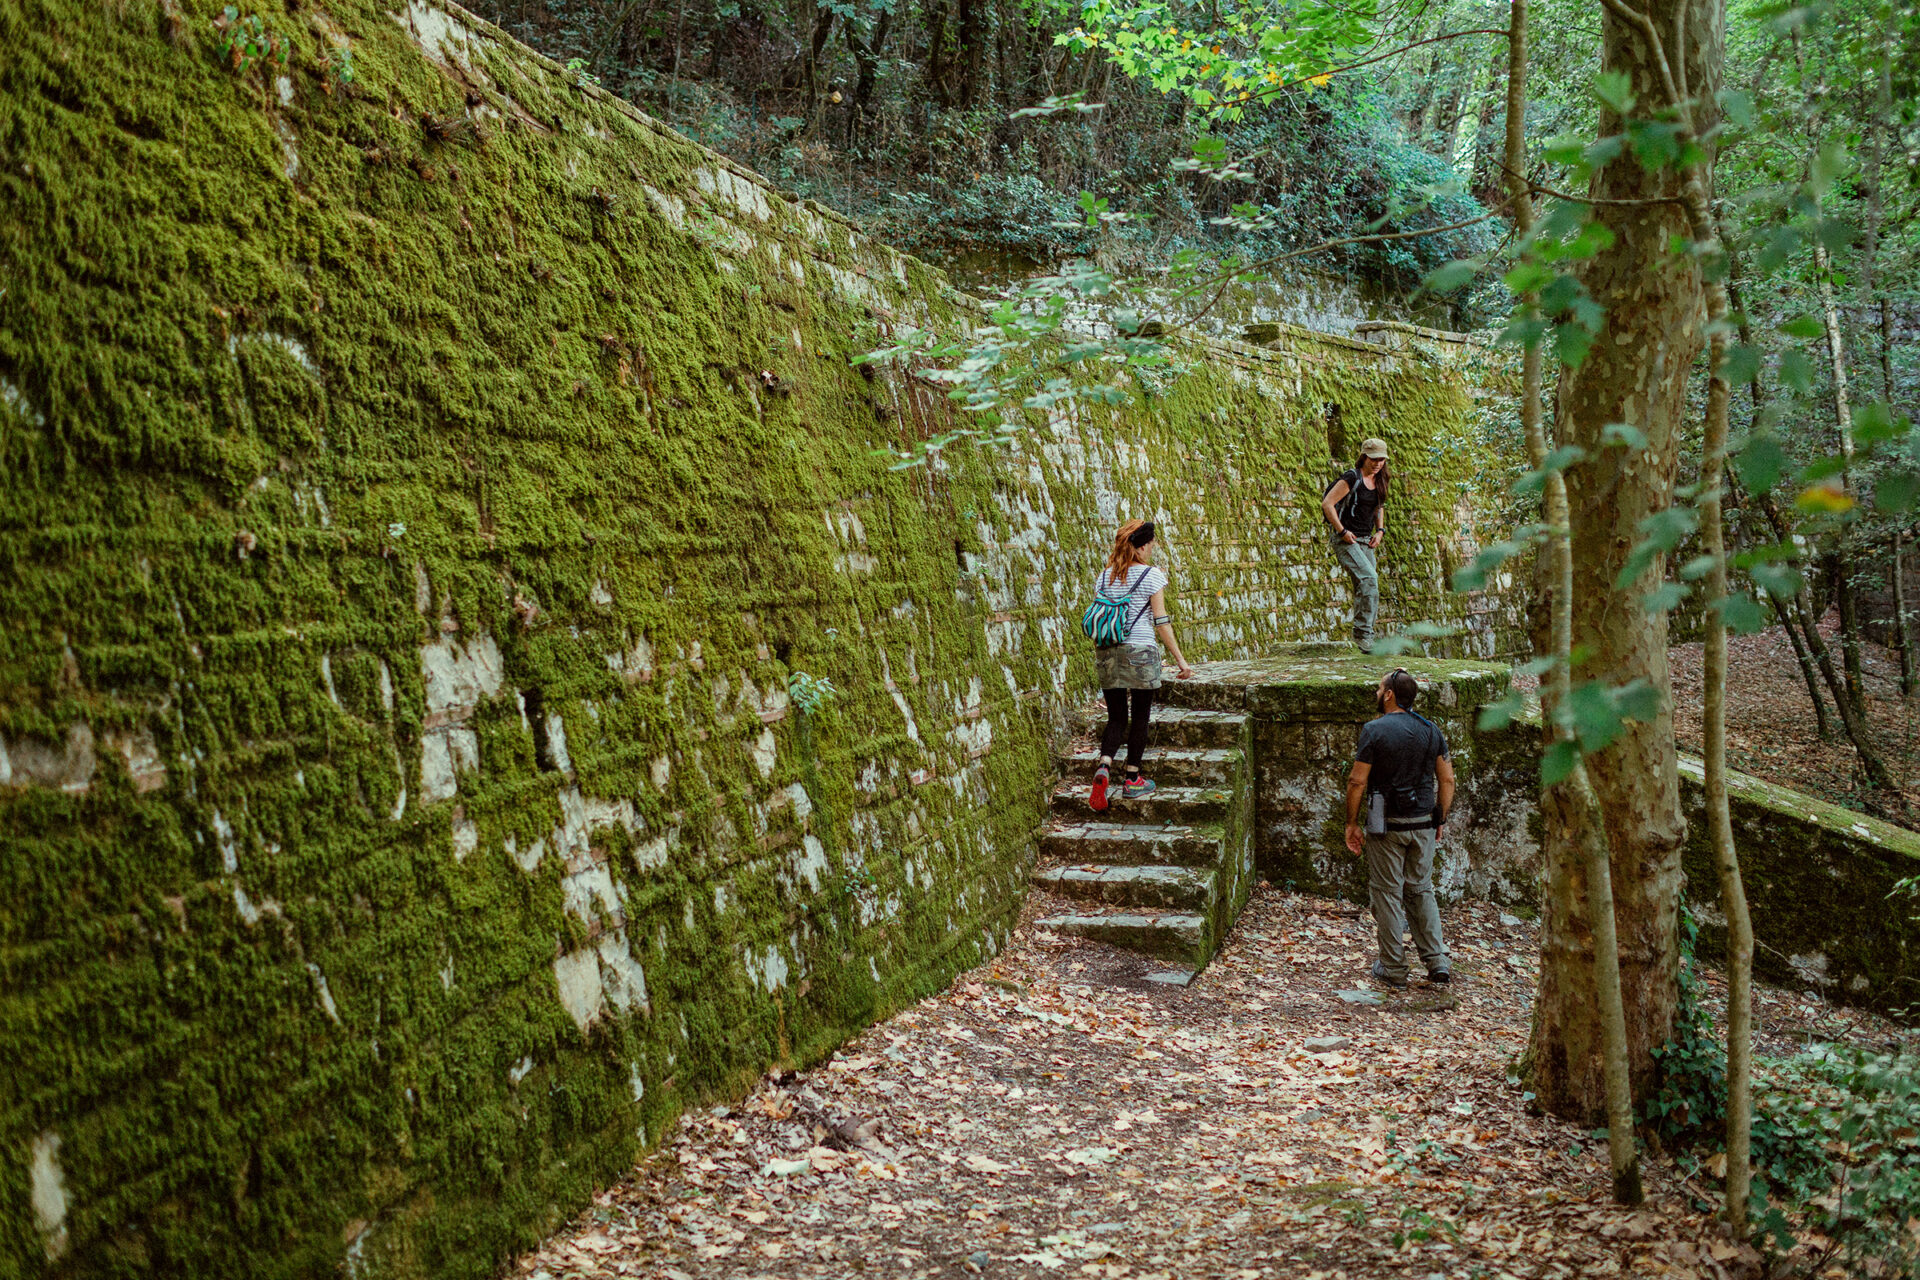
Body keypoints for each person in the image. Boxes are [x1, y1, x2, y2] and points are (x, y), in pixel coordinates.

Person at [1343, 668, 1454, 988]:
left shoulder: (1374, 730)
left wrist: (1351, 823)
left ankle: (1393, 967)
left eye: (1380, 690)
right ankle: (1436, 961)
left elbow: (1357, 781)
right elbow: (1447, 779)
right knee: (1421, 890)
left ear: (1389, 694)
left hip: (1385, 824)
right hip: (1422, 822)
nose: (1377, 694)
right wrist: (1440, 818)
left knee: (1387, 894)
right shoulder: (1431, 730)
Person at [1089, 519, 1194, 811]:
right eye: (1151, 544)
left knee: (1116, 717)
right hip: (1141, 650)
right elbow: (1161, 621)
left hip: (1107, 651)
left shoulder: (1104, 576)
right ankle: (1133, 778)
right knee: (1140, 716)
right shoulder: (1152, 575)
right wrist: (1181, 661)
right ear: (1144, 546)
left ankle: (1105, 766)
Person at [1320, 437, 1391, 654]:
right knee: (1369, 580)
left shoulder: (1381, 479)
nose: (1377, 463)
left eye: (1381, 459)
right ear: (1364, 457)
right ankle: (1363, 636)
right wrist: (1341, 531)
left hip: (1366, 540)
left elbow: (1379, 507)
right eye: (1373, 459)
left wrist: (1380, 531)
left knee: (1367, 586)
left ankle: (1363, 637)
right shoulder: (1352, 477)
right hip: (1346, 540)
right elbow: (1327, 504)